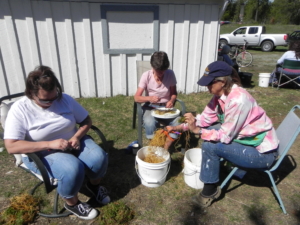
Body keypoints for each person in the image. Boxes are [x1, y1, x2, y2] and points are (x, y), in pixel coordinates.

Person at [167, 61, 279, 208]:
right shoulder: (219, 97)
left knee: (210, 145)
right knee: (212, 129)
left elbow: (224, 136)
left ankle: (209, 192)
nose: (207, 87)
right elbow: (205, 119)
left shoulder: (238, 100)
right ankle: (219, 170)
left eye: (209, 83)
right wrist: (179, 127)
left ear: (222, 82)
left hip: (262, 154)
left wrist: (198, 131)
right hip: (247, 141)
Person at [4, 66, 110, 220]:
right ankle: (71, 203)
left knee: (99, 157)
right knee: (72, 168)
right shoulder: (19, 110)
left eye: (54, 97)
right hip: (42, 152)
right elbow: (11, 146)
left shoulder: (64, 99)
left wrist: (77, 137)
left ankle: (93, 185)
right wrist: (49, 144)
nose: (52, 102)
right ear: (31, 94)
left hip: (73, 142)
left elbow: (86, 120)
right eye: (45, 100)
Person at [134, 51, 180, 150]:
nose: (160, 73)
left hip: (166, 108)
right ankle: (154, 145)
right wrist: (149, 98)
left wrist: (171, 100)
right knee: (149, 122)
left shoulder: (170, 73)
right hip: (151, 107)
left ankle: (166, 148)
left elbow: (174, 93)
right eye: (158, 71)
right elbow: (136, 97)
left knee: (178, 122)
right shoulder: (146, 75)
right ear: (152, 66)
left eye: (163, 71)